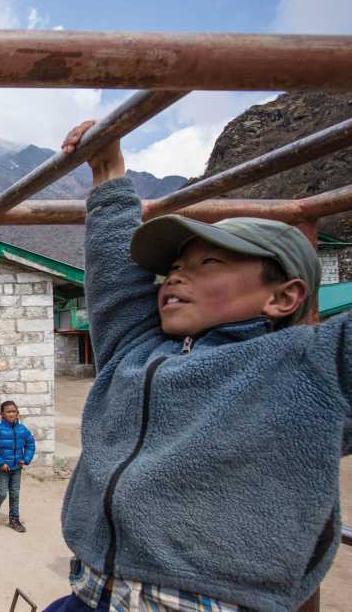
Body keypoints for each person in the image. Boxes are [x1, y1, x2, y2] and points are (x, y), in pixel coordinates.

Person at [44, 120, 351, 612]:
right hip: (95, 591)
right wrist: (107, 171)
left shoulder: (312, 364)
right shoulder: (137, 350)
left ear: (283, 296)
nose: (177, 276)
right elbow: (116, 279)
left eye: (209, 264)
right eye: (173, 269)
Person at [0, 400, 35, 533]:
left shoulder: (22, 430)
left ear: (17, 413)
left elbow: (30, 445)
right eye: (8, 412)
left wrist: (26, 459)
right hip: (3, 468)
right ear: (2, 414)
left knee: (15, 494)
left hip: (17, 468)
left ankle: (14, 519)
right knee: (2, 493)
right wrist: (1, 462)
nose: (11, 414)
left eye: (14, 411)